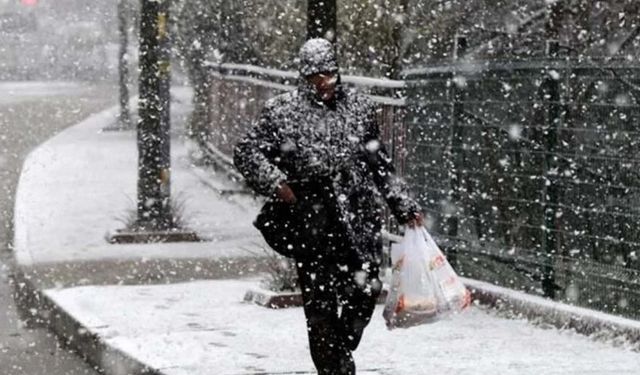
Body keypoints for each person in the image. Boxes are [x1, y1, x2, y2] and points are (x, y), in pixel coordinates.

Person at [234, 38, 423, 375]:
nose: (324, 83)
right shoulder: (282, 112)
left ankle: (340, 344)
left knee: (365, 292)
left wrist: (403, 205)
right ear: (304, 78)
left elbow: (380, 165)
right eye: (316, 77)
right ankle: (334, 367)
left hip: (358, 219)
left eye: (329, 74)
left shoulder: (360, 110)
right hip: (312, 223)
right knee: (320, 309)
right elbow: (247, 151)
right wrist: (277, 183)